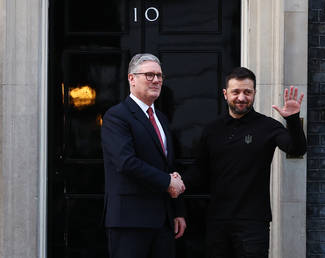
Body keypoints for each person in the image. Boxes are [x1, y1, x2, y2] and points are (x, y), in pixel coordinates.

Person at [183, 67, 307, 258]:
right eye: (236, 92)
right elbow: (199, 171)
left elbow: (297, 149)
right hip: (217, 220)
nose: (241, 98)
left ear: (254, 93)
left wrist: (292, 120)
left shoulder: (268, 126)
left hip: (253, 223)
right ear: (225, 94)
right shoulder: (212, 130)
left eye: (247, 92)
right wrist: (173, 184)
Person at [101, 53, 186, 258]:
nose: (156, 80)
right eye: (149, 75)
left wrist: (177, 211)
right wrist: (167, 182)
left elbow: (168, 166)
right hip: (129, 220)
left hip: (163, 220)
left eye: (159, 75)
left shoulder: (162, 119)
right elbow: (126, 162)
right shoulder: (116, 116)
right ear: (131, 78)